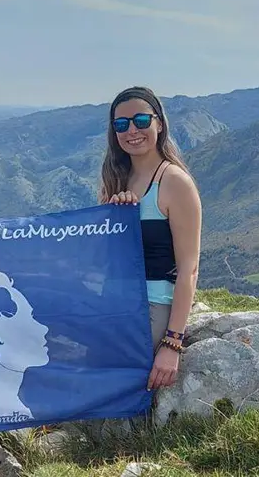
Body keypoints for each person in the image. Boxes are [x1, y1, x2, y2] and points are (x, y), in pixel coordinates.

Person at [98, 86, 203, 393]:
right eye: (121, 124)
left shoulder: (174, 183)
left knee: (112, 378)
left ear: (159, 123)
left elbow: (189, 269)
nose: (132, 130)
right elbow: (105, 258)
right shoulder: (113, 181)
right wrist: (113, 218)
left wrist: (172, 343)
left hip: (153, 305)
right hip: (114, 299)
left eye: (141, 120)